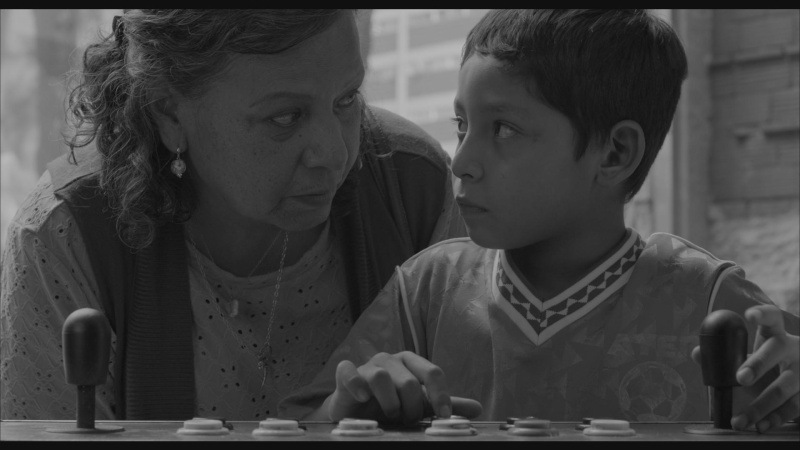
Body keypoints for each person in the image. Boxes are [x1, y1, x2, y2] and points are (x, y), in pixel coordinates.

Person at [279, 9, 800, 433]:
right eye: (462, 126)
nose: (461, 162)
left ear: (615, 153)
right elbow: (299, 424)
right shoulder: (427, 290)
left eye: (503, 129)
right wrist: (346, 411)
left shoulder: (707, 298)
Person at [0, 9, 466, 421]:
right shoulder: (65, 233)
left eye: (346, 100)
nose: (335, 152)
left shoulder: (412, 186)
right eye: (284, 117)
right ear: (168, 112)